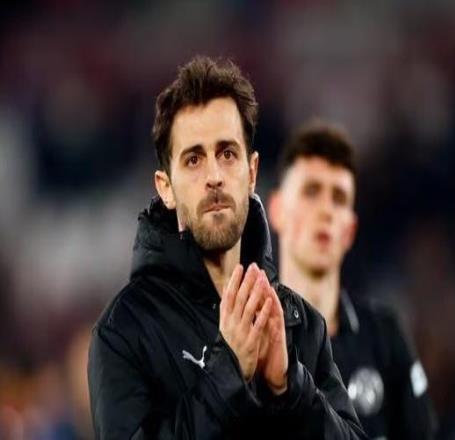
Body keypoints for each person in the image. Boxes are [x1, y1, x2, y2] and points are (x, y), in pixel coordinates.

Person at [87, 57, 366, 440]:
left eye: (227, 154)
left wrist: (290, 389)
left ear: (251, 172)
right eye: (193, 159)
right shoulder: (124, 333)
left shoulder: (300, 324)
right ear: (166, 188)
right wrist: (228, 373)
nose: (214, 176)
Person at [268, 122, 437, 439]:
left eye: (339, 198)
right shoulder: (251, 338)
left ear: (349, 230)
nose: (326, 211)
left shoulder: (384, 336)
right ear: (276, 210)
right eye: (311, 191)